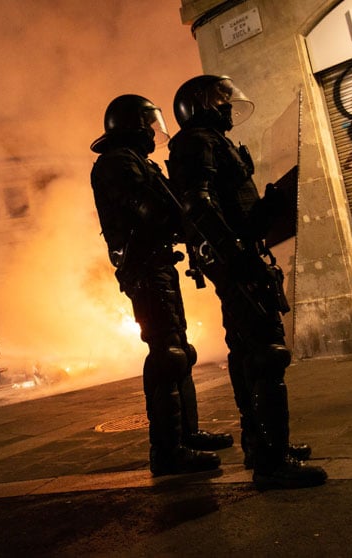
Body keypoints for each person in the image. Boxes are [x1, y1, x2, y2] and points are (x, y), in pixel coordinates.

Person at [167, 75, 326, 489]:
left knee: (247, 354)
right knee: (268, 353)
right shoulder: (197, 141)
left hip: (241, 256)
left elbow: (234, 208)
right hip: (237, 262)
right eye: (220, 99)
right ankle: (272, 462)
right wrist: (234, 255)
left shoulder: (212, 141)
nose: (227, 106)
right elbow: (198, 204)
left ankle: (263, 444)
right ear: (199, 104)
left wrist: (269, 205)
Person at [90, 94, 233, 477]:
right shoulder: (117, 163)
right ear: (133, 126)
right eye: (148, 124)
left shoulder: (136, 162)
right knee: (166, 352)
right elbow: (149, 210)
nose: (155, 132)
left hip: (158, 263)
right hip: (144, 266)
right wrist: (185, 207)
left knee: (179, 349)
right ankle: (168, 450)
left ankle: (187, 434)